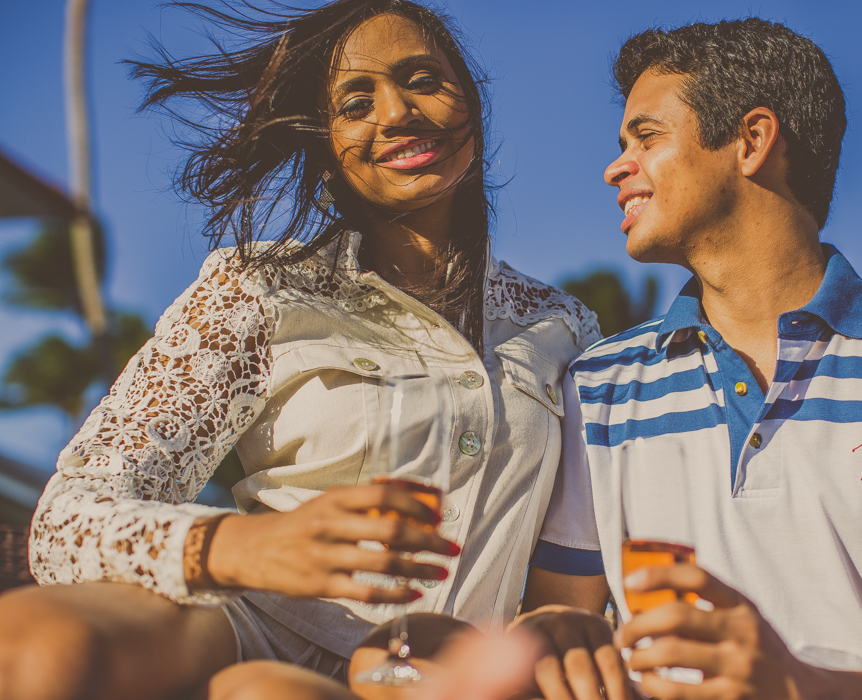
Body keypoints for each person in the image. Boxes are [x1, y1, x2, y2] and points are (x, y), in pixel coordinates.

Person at [0, 2, 600, 698]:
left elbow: (570, 584)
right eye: (355, 102)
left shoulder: (564, 329)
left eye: (422, 79)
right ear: (325, 146)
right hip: (247, 629)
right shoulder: (256, 288)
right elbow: (67, 519)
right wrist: (244, 546)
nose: (397, 111)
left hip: (448, 676)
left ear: (470, 99)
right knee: (37, 645)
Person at [519, 17, 862, 700]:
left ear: (752, 140)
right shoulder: (597, 389)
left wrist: (799, 686)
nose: (617, 167)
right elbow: (562, 624)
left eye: (647, 137)